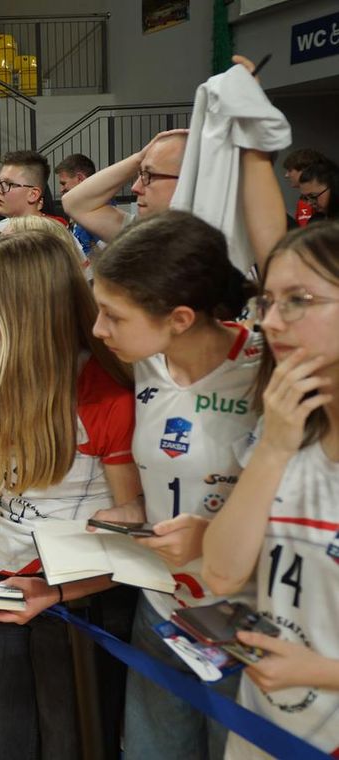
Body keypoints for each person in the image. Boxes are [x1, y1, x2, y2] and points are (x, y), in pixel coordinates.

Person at [0, 228, 139, 760]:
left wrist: (57, 594)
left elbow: (133, 531)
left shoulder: (106, 397)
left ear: (29, 315)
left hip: (76, 604)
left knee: (70, 743)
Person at [90, 211, 260, 760]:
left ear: (181, 318)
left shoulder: (265, 369)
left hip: (249, 625)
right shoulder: (142, 362)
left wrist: (209, 538)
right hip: (162, 610)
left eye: (114, 316)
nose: (98, 329)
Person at [203, 222, 339, 759]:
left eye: (299, 300)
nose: (272, 322)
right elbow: (222, 571)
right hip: (265, 725)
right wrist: (274, 449)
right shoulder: (286, 432)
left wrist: (323, 670)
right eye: (267, 302)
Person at [62, 129, 188, 243]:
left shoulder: (203, 245)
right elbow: (73, 203)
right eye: (140, 174)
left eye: (150, 175)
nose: (135, 188)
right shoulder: (144, 234)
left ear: (185, 180)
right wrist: (139, 158)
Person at [54, 153, 102, 255]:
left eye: (63, 183)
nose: (61, 190)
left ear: (80, 179)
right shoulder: (82, 209)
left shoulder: (99, 210)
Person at [282, 148, 329, 226]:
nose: (286, 175)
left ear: (304, 170)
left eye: (290, 170)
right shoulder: (304, 201)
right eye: (308, 198)